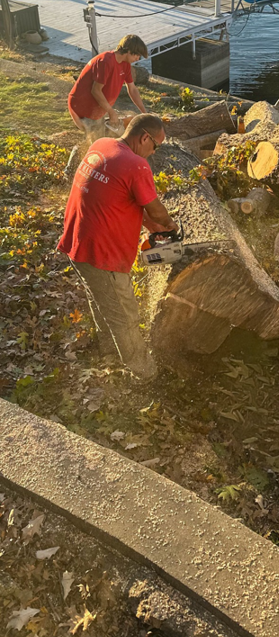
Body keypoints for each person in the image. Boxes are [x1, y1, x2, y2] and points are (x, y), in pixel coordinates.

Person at [58, 113, 177, 379]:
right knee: (125, 317)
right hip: (103, 255)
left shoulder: (102, 145)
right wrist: (168, 224)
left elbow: (114, 195)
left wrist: (147, 224)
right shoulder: (136, 165)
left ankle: (110, 354)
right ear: (144, 137)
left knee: (101, 300)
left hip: (77, 243)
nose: (153, 153)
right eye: (155, 146)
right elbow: (157, 210)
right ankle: (143, 375)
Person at [68, 34, 149, 140]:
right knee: (98, 143)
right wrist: (111, 112)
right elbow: (96, 91)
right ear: (129, 51)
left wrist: (144, 113)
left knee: (118, 134)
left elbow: (132, 89)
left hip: (98, 109)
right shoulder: (106, 61)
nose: (138, 58)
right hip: (83, 107)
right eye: (137, 55)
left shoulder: (125, 64)